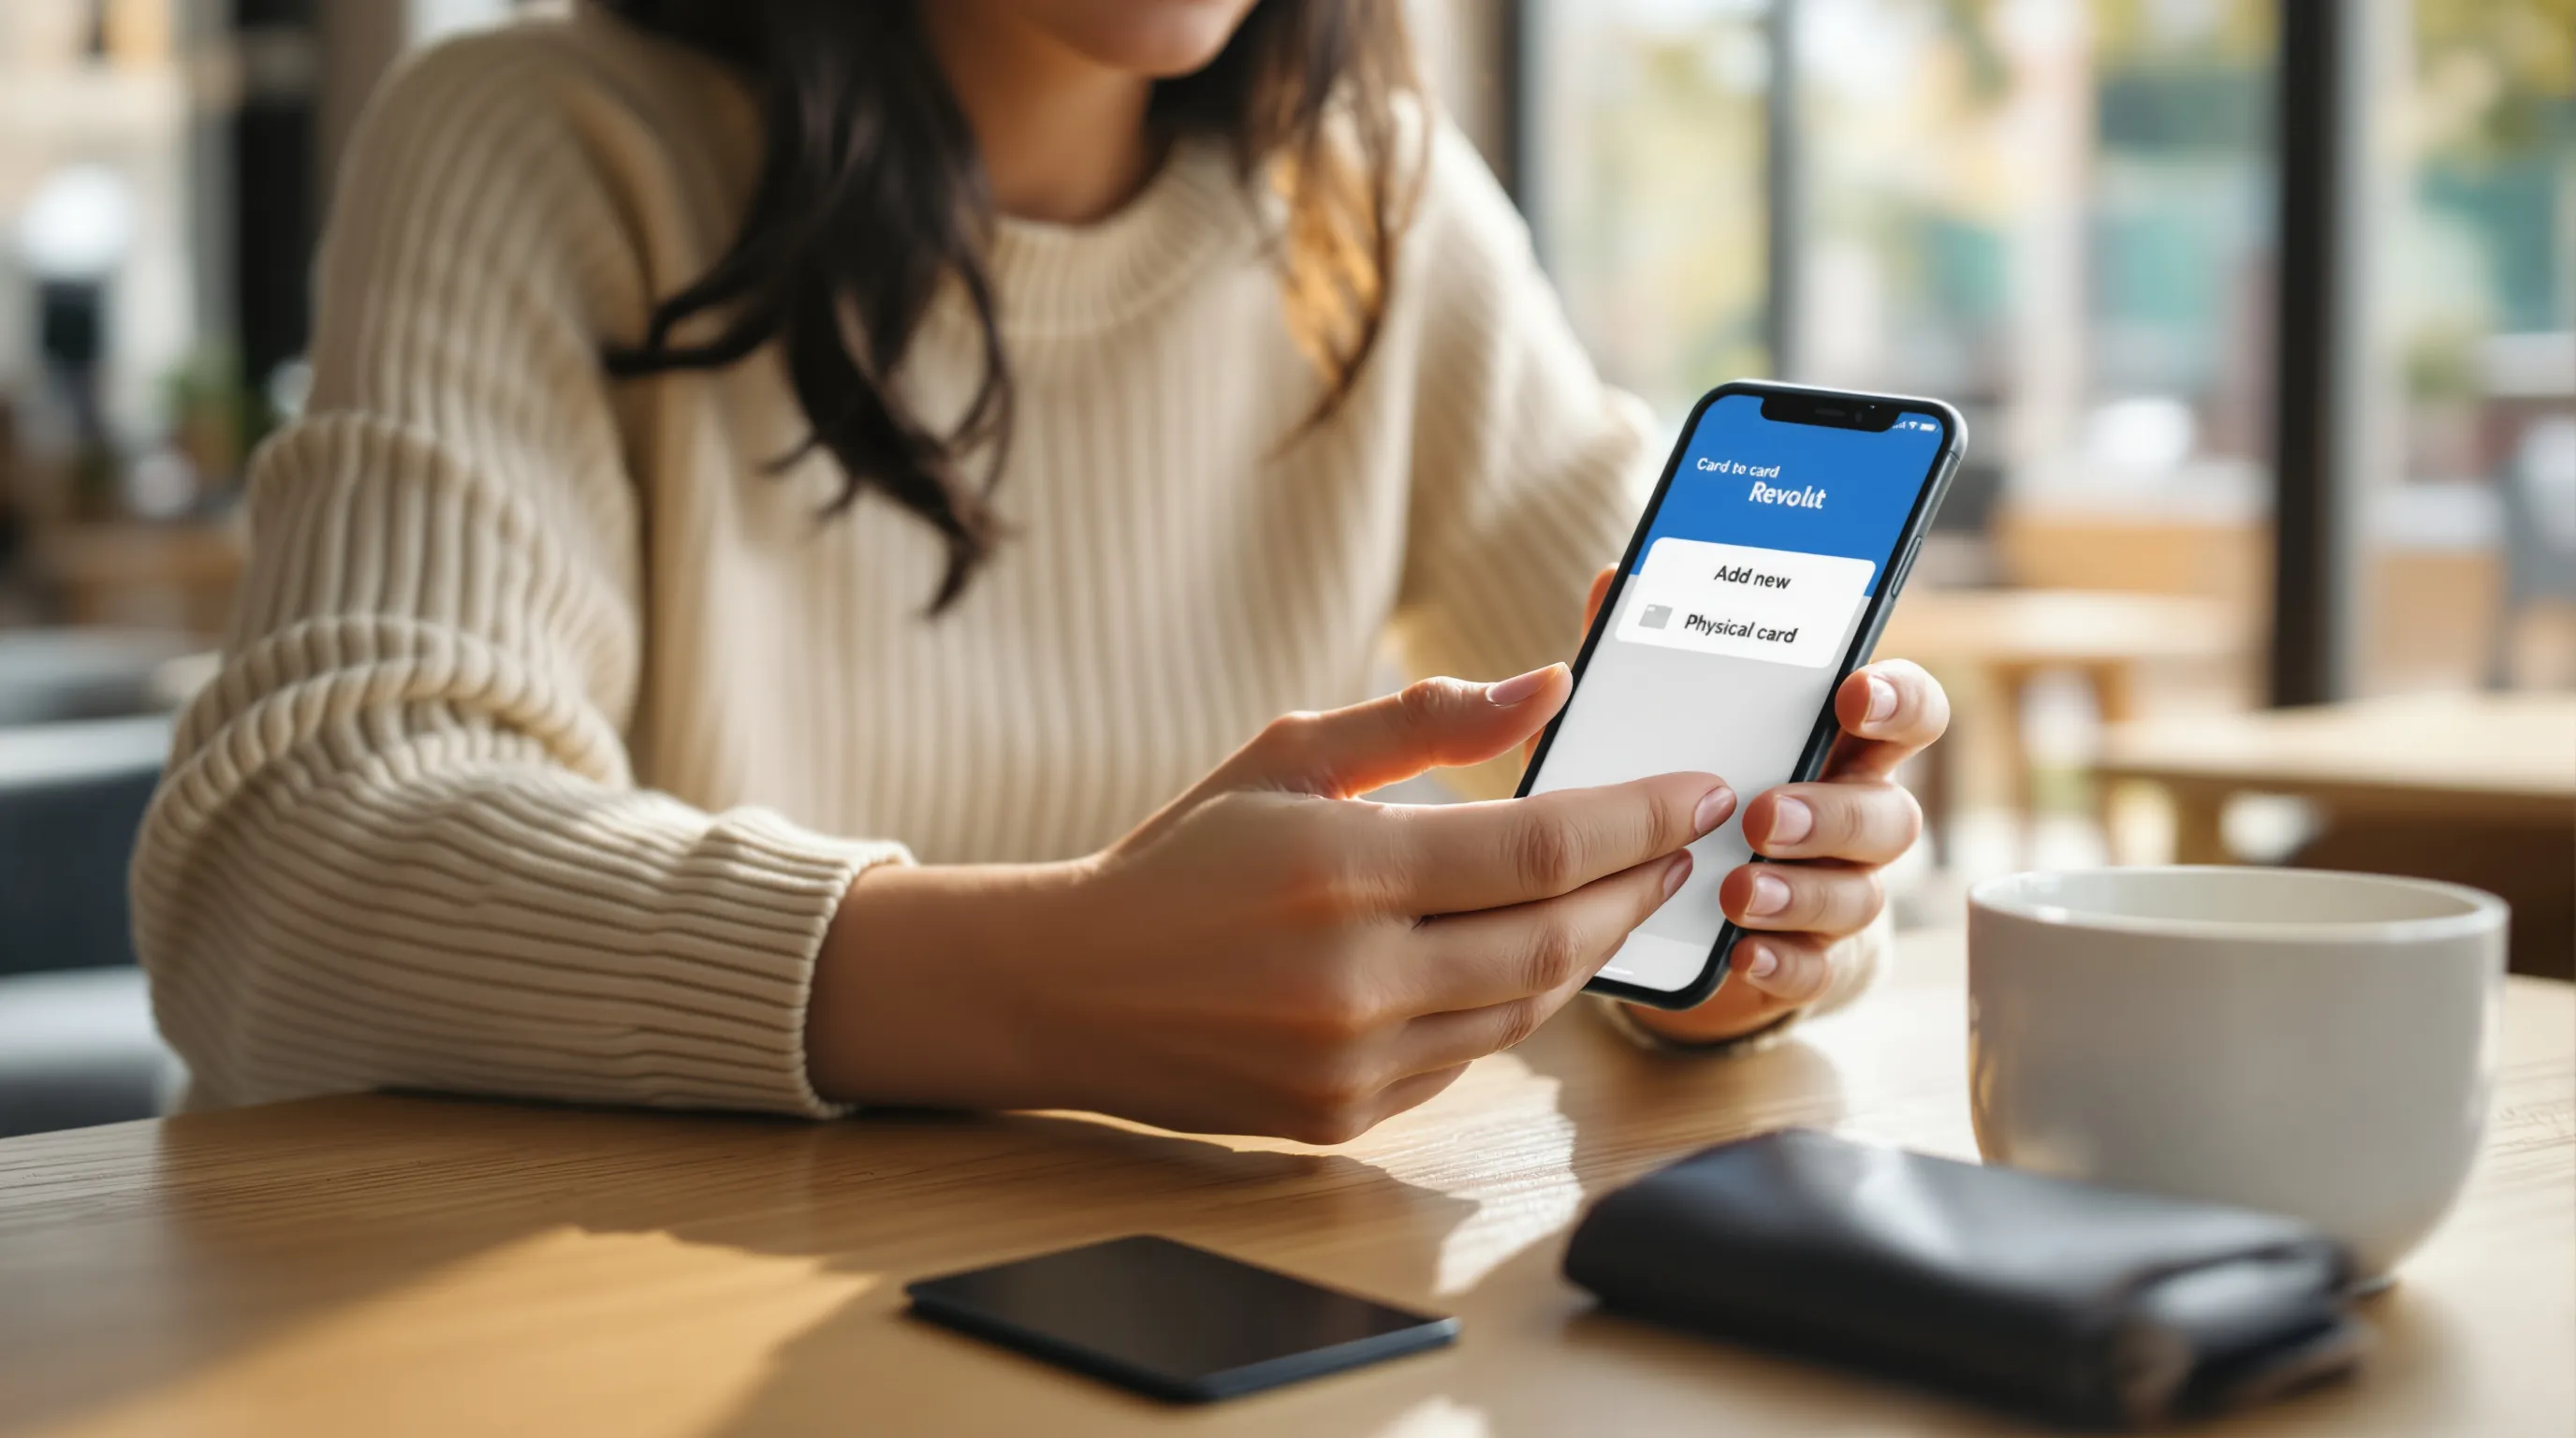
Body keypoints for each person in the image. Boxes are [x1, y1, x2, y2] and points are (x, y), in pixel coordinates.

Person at [133, 0, 1947, 1143]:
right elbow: (282, 868)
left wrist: (1744, 947)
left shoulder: (1369, 206)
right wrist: (1037, 979)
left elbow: (1683, 777)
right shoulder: (539, 140)